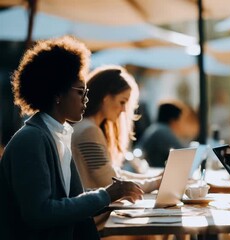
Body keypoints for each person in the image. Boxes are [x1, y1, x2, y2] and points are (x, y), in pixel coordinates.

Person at [0, 36, 143, 240]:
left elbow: (74, 200)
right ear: (58, 93)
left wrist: (114, 194)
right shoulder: (31, 140)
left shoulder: (59, 134)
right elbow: (40, 214)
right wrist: (107, 194)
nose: (86, 100)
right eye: (80, 92)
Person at [71, 65, 162, 229]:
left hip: (93, 215)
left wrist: (155, 180)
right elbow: (111, 182)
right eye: (122, 102)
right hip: (93, 222)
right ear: (106, 97)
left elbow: (113, 174)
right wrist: (155, 183)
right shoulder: (88, 131)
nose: (123, 110)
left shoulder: (88, 127)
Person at [138, 100, 198, 167]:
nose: (181, 124)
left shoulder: (156, 128)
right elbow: (183, 154)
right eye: (180, 120)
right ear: (174, 121)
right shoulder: (163, 131)